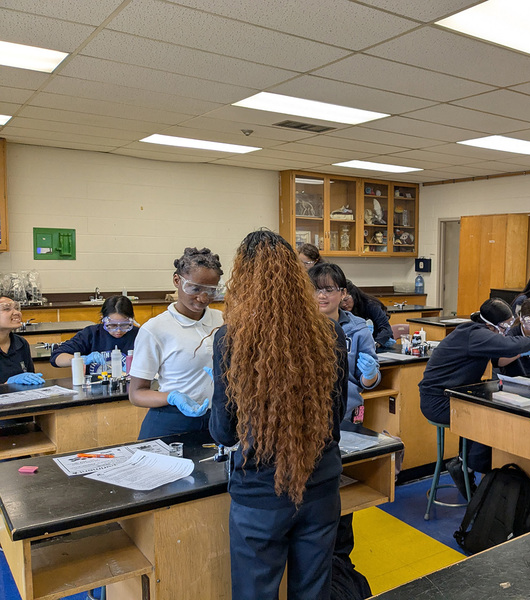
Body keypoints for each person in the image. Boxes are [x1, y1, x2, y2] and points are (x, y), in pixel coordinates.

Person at [210, 229, 347, 600]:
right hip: (320, 485)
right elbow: (335, 417)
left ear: (244, 281)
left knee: (256, 592)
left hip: (260, 492)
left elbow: (223, 432)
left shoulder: (231, 338)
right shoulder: (330, 334)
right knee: (313, 589)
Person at [419, 298, 530, 495]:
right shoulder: (475, 334)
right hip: (437, 400)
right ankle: (466, 468)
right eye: (504, 325)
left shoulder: (476, 333)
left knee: (488, 408)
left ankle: (465, 463)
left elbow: (498, 359)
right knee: (488, 418)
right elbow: (506, 344)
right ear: (490, 324)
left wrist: (525, 351)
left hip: (453, 395)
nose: (506, 329)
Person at [128, 247, 224, 439]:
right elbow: (136, 393)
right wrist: (171, 397)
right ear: (177, 280)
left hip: (215, 421)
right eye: (195, 288)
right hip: (171, 422)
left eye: (211, 291)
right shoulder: (155, 329)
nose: (203, 298)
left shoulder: (222, 321)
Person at [308, 263, 380, 424]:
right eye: (316, 289)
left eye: (329, 289)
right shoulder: (299, 327)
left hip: (347, 411)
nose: (321, 296)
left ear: (343, 293)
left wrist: (370, 373)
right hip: (309, 412)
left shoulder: (359, 329)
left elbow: (369, 381)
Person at [50, 295, 139, 373]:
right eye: (112, 325)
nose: (118, 330)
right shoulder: (91, 334)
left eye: (124, 325)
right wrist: (80, 360)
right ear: (103, 319)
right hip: (94, 388)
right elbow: (57, 357)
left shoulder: (139, 335)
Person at [498, 298, 530, 378]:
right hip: (514, 383)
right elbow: (499, 362)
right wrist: (520, 353)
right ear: (522, 319)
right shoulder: (510, 336)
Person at [340, 280, 394, 350]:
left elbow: (386, 329)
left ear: (354, 295)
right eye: (341, 302)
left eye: (346, 300)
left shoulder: (371, 305)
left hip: (378, 344)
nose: (344, 304)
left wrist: (374, 345)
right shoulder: (339, 310)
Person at [0, 297, 44, 385]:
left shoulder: (20, 343)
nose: (17, 313)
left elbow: (30, 378)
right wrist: (7, 384)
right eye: (7, 309)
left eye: (16, 308)